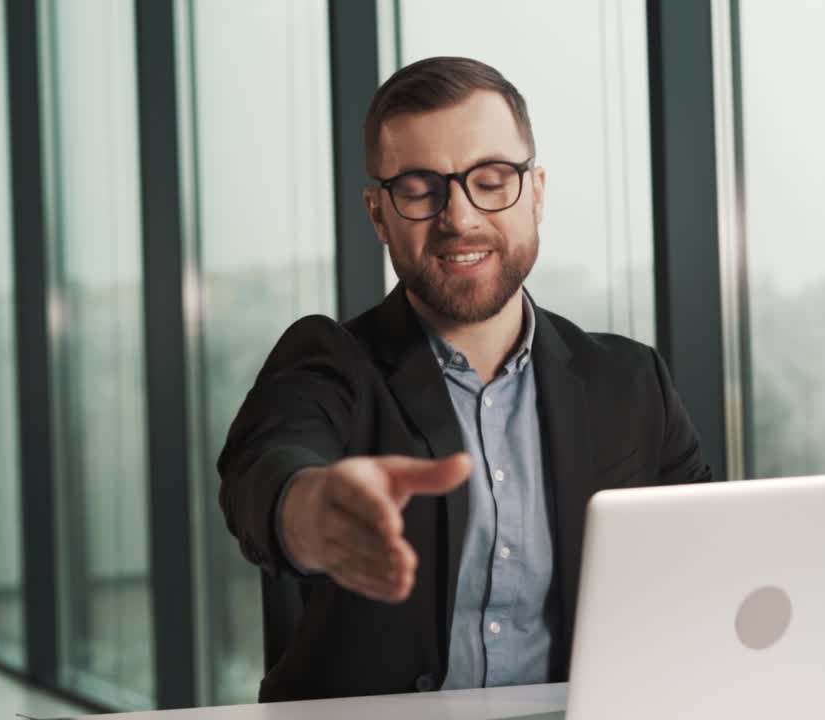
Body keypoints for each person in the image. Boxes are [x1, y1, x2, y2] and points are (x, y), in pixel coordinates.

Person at [217, 55, 715, 703]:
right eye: (422, 189)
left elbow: (710, 564)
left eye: (491, 179)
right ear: (378, 214)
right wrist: (312, 511)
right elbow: (264, 470)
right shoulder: (328, 360)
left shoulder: (630, 380)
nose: (460, 218)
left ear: (536, 192)